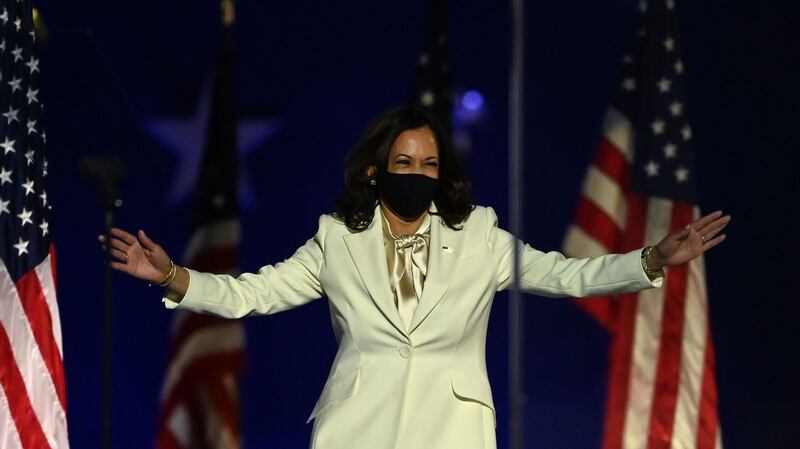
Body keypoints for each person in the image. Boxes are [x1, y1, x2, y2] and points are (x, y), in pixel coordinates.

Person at [99, 106, 730, 449]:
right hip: (357, 430)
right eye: (404, 162)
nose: (418, 173)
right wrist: (174, 276)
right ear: (376, 171)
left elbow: (569, 275)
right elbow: (252, 294)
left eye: (429, 164)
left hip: (453, 431)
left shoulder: (480, 235)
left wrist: (650, 259)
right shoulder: (337, 239)